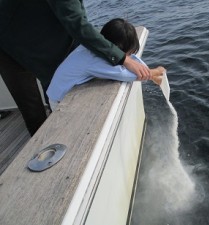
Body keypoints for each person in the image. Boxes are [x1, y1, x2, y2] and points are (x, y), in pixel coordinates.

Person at [0, 0, 150, 136]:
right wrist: (122, 58)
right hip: (7, 44)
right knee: (31, 106)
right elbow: (77, 25)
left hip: (32, 28)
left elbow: (77, 17)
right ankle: (43, 146)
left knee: (53, 81)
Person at [47, 18, 166, 111]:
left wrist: (150, 73)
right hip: (59, 100)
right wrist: (155, 71)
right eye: (127, 54)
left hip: (58, 90)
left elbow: (132, 61)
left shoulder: (92, 46)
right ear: (117, 49)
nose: (128, 58)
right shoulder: (95, 59)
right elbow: (124, 75)